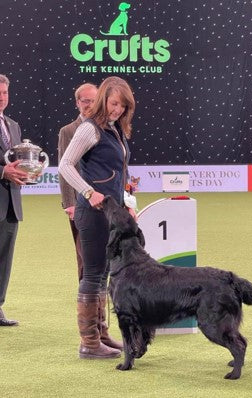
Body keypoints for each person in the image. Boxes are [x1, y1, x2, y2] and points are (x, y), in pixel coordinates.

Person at [58, 76, 136, 359]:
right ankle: (89, 342)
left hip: (109, 214)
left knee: (103, 273)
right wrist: (88, 192)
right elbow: (64, 165)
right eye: (114, 103)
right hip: (91, 214)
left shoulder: (114, 129)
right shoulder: (89, 129)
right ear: (104, 98)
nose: (117, 110)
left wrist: (127, 198)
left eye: (123, 106)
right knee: (92, 274)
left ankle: (101, 333)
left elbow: (116, 175)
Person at [58, 83, 98, 281]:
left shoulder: (106, 128)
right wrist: (70, 204)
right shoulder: (68, 131)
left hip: (102, 200)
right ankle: (86, 295)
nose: (90, 105)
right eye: (85, 101)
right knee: (84, 254)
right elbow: (64, 169)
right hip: (80, 203)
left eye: (94, 100)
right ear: (77, 103)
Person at [0, 74, 28, 327]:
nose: (1, 97)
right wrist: (2, 171)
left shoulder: (14, 125)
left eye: (5, 93)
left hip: (11, 204)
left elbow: (18, 161)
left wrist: (27, 174)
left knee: (4, 259)